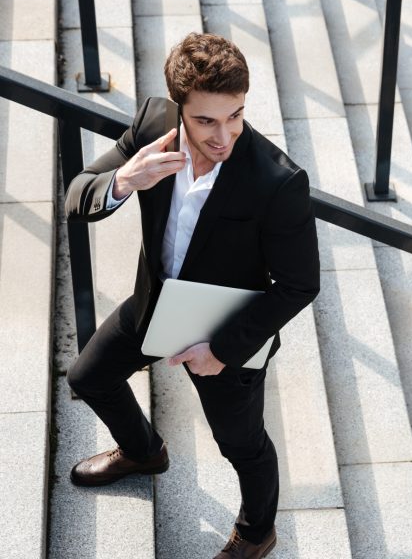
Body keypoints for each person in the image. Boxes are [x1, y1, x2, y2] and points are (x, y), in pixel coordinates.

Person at [64, 32, 320, 559]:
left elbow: (299, 284)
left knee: (241, 444)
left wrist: (222, 351)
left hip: (225, 326)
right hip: (154, 304)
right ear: (180, 108)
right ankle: (143, 452)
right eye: (206, 120)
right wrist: (124, 180)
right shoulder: (153, 124)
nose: (224, 134)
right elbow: (78, 195)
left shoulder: (277, 181)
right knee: (88, 376)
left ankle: (256, 533)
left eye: (236, 115)